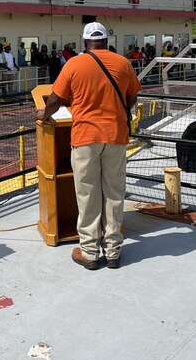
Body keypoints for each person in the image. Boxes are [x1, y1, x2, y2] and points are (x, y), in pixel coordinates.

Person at [36, 22, 141, 270]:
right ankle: (114, 251)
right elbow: (133, 95)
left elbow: (55, 98)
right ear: (106, 40)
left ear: (85, 43)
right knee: (114, 194)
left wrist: (44, 114)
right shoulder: (123, 63)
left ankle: (90, 253)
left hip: (85, 137)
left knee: (87, 194)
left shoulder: (74, 64)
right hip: (116, 136)